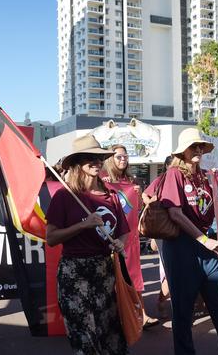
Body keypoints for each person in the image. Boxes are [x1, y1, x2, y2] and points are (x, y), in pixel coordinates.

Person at [160, 128, 218, 355]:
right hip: (182, 248)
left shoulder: (205, 176)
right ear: (183, 152)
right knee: (182, 314)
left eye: (201, 146)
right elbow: (175, 214)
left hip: (208, 249)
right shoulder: (173, 175)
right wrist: (203, 239)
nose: (198, 150)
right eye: (194, 146)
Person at [46, 134, 130, 355]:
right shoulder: (65, 196)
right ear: (76, 163)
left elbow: (123, 232)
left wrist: (120, 245)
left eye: (98, 157)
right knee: (84, 336)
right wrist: (83, 225)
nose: (96, 162)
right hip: (74, 272)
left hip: (105, 271)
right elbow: (52, 238)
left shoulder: (111, 196)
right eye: (88, 158)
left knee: (109, 332)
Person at [102, 144, 159, 329]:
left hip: (130, 237)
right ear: (110, 158)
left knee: (134, 276)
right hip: (109, 237)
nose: (123, 159)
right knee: (111, 280)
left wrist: (139, 196)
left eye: (125, 156)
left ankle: (141, 314)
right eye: (118, 156)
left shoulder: (131, 181)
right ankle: (118, 317)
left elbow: (137, 210)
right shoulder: (101, 180)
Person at [142, 155, 173, 319]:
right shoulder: (161, 180)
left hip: (183, 230)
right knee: (170, 272)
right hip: (164, 230)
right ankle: (162, 300)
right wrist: (153, 203)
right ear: (167, 166)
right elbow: (144, 196)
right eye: (174, 164)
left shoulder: (187, 179)